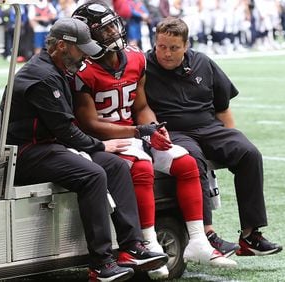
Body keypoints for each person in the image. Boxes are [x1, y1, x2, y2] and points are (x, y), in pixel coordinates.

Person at [71, 3, 236, 279]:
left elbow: (142, 107)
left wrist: (154, 128)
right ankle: (149, 243)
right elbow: (89, 124)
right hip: (106, 140)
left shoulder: (135, 58)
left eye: (114, 24)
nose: (114, 32)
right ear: (87, 36)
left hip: (133, 133)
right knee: (143, 167)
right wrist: (138, 132)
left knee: (184, 161)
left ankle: (197, 240)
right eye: (104, 29)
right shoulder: (82, 70)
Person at [2, 17, 168, 282]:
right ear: (61, 46)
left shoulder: (54, 70)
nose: (84, 59)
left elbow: (68, 133)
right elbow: (67, 132)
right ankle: (101, 263)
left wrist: (102, 148)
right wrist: (101, 145)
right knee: (93, 174)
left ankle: (131, 246)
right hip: (27, 152)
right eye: (81, 50)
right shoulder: (43, 78)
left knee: (114, 164)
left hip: (49, 146)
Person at [144, 17, 283, 257]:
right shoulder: (144, 67)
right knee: (192, 158)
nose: (166, 53)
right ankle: (207, 234)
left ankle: (250, 235)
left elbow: (223, 107)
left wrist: (233, 139)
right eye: (161, 46)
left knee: (249, 153)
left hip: (209, 127)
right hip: (173, 130)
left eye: (174, 48)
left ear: (186, 46)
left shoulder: (203, 62)